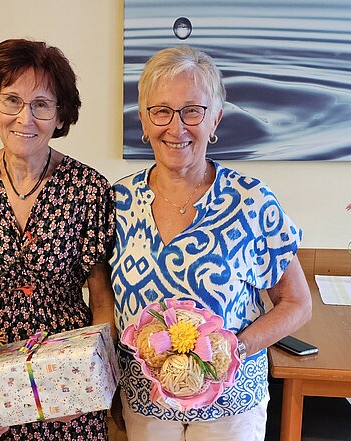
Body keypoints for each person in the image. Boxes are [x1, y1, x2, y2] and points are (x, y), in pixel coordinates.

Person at [110, 45, 312, 441]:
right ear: (143, 120)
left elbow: (297, 303)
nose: (176, 127)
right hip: (145, 405)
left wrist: (232, 350)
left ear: (215, 118)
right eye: (161, 111)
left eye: (192, 111)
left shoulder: (251, 201)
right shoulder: (117, 201)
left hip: (231, 407)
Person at [0, 38, 116, 440]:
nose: (24, 117)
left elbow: (102, 300)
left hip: (63, 377)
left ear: (60, 116)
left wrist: (85, 383)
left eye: (41, 104)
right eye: (12, 100)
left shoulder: (89, 188)